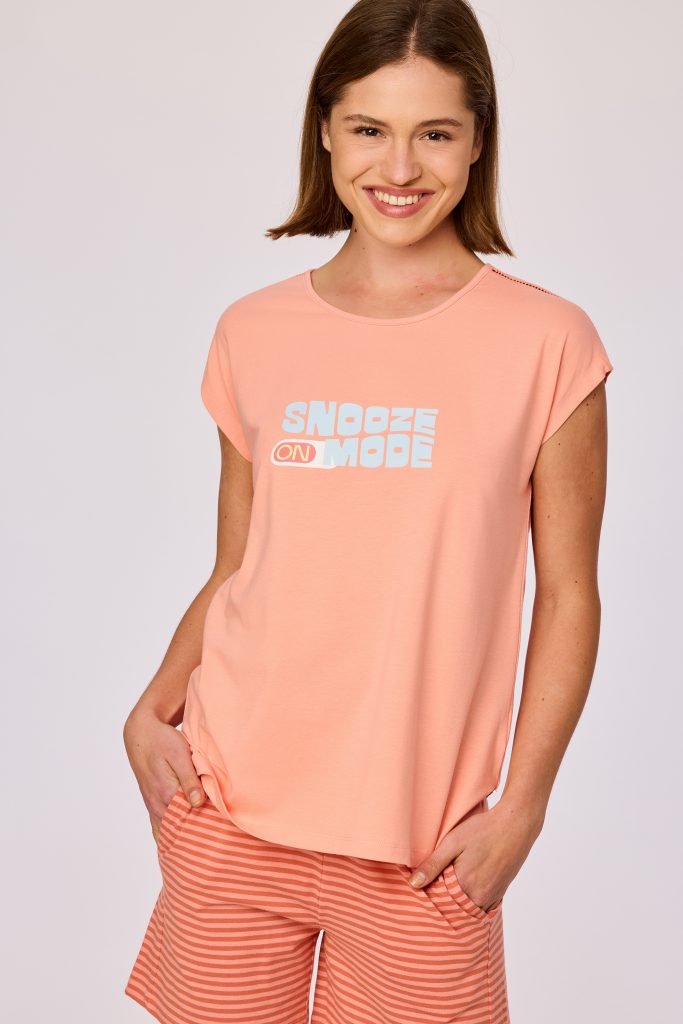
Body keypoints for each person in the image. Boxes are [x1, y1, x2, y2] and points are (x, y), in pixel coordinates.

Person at [123, 1, 614, 1021]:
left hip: (422, 845)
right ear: (324, 130)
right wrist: (150, 708)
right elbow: (238, 566)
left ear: (476, 140)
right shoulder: (253, 331)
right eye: (367, 128)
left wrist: (521, 810)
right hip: (230, 811)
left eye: (433, 131)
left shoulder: (548, 344)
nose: (399, 166)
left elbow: (568, 595)